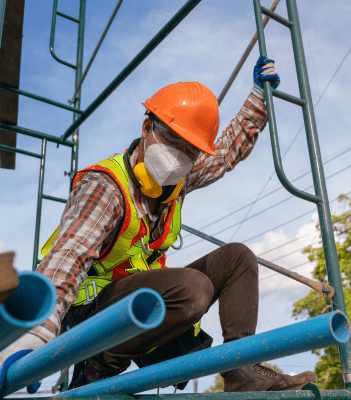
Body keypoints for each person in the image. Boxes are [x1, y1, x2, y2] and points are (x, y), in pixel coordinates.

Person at [0, 56, 317, 392]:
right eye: (172, 141)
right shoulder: (106, 186)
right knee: (193, 288)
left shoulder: (179, 178)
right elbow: (69, 257)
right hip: (90, 314)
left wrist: (258, 98)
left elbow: (226, 153)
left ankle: (242, 370)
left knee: (237, 258)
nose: (178, 157)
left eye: (190, 151)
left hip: (142, 306)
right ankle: (98, 367)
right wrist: (37, 335)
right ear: (147, 128)